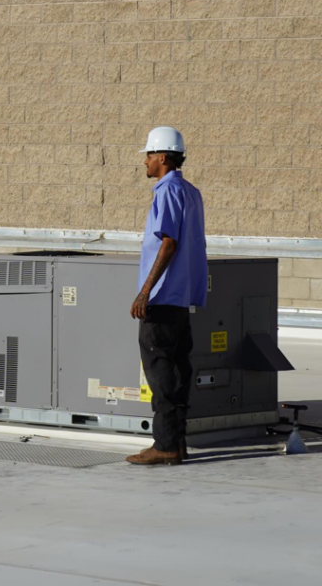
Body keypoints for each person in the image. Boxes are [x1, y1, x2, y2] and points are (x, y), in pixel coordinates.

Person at [126, 127, 207, 467]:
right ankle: (177, 444)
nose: (144, 161)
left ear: (162, 157)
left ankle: (165, 446)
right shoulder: (191, 192)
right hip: (181, 299)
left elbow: (168, 242)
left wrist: (145, 290)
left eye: (148, 155)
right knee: (177, 373)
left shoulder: (167, 191)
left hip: (161, 300)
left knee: (160, 375)